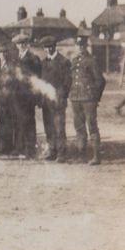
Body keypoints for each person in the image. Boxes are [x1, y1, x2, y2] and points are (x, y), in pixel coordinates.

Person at [69, 29, 106, 165]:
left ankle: (96, 157)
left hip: (89, 99)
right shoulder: (74, 61)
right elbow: (70, 79)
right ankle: (81, 155)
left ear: (86, 46)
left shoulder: (91, 61)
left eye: (82, 46)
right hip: (76, 98)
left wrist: (96, 97)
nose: (80, 48)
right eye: (78, 45)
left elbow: (101, 81)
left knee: (92, 126)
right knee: (79, 127)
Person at [39, 35, 72, 163]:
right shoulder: (43, 62)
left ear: (54, 47)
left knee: (59, 127)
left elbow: (67, 82)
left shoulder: (63, 62)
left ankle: (61, 153)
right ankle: (52, 150)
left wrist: (60, 95)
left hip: (58, 100)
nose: (47, 50)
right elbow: (41, 81)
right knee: (48, 127)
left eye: (49, 47)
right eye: (45, 48)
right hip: (46, 101)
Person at [13, 33, 42, 158]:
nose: (20, 46)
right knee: (18, 122)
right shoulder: (16, 58)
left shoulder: (33, 59)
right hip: (17, 95)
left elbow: (36, 78)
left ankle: (30, 149)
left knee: (28, 121)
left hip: (27, 96)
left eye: (22, 44)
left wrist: (35, 96)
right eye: (18, 44)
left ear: (26, 44)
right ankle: (20, 148)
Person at [0, 43, 19, 155]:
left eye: (4, 52)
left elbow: (14, 83)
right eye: (0, 53)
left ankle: (11, 147)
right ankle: (3, 146)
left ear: (6, 54)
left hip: (9, 99)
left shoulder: (11, 66)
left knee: (10, 123)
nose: (2, 55)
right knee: (0, 123)